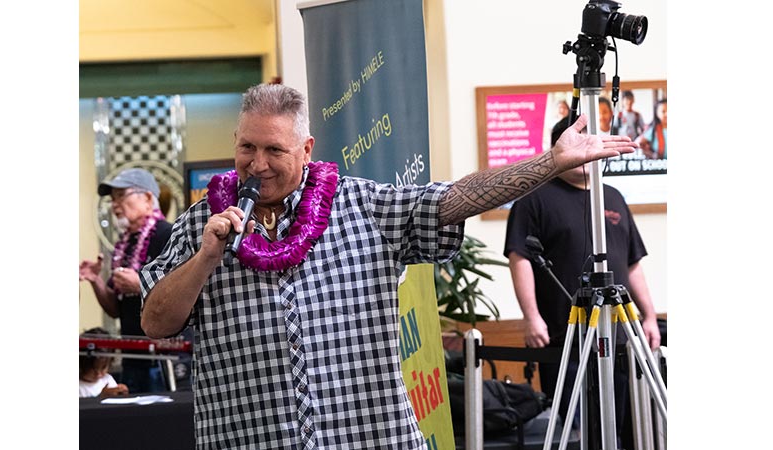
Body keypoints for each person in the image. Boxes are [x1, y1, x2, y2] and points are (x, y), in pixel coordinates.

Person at [139, 83, 637, 449]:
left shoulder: (364, 207)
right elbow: (155, 322)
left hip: (371, 437)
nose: (258, 163)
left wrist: (548, 164)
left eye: (275, 150)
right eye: (247, 147)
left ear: (307, 150)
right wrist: (206, 257)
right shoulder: (199, 224)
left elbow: (457, 197)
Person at [503, 117, 661, 449]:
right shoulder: (533, 200)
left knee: (617, 427)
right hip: (565, 336)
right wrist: (532, 317)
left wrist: (648, 316)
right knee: (574, 431)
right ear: (557, 149)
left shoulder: (613, 198)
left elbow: (632, 264)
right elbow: (520, 259)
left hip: (619, 335)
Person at [79, 168, 173, 394]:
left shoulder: (168, 234)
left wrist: (140, 284)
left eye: (122, 195)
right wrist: (96, 281)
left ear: (148, 198)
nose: (114, 204)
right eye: (112, 199)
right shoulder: (124, 245)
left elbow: (184, 293)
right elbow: (115, 309)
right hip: (131, 355)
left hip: (163, 359)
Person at [79, 327, 130, 398]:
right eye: (94, 368)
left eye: (103, 367)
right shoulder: (80, 387)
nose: (99, 374)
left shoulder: (107, 379)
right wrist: (101, 397)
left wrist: (120, 393)